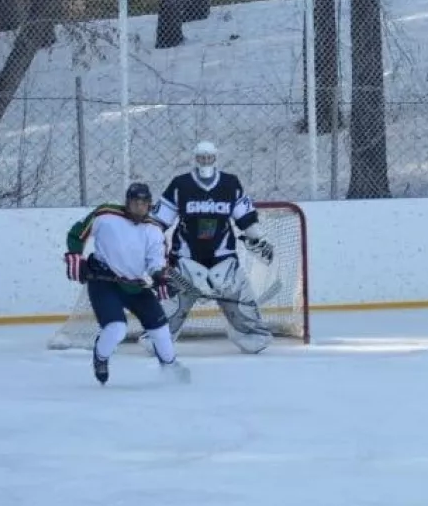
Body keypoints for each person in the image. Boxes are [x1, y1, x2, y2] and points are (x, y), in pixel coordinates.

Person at [153, 141, 276, 354]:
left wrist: (258, 238)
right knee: (175, 301)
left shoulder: (230, 184)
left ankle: (252, 334)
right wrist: (150, 246)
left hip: (223, 253)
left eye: (209, 157)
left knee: (234, 293)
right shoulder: (180, 184)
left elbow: (245, 218)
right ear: (195, 158)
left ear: (216, 157)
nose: (205, 161)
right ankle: (158, 336)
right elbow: (158, 222)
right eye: (201, 157)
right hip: (184, 254)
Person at [63, 182, 190, 385]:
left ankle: (170, 365)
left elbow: (155, 262)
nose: (139, 207)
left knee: (160, 329)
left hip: (135, 285)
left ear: (150, 205)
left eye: (144, 203)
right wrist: (75, 256)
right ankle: (101, 357)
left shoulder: (154, 230)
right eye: (135, 202)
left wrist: (159, 276)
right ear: (127, 203)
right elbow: (77, 234)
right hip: (103, 280)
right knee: (116, 328)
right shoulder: (105, 215)